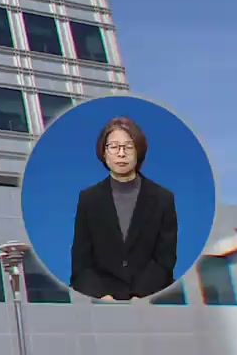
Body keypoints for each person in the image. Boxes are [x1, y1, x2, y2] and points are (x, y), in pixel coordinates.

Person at [70, 116, 178, 301]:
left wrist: (140, 296)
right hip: (102, 301)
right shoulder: (89, 199)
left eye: (128, 147)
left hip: (151, 299)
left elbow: (165, 260)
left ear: (138, 151)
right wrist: (102, 296)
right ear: (104, 153)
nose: (121, 153)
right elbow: (81, 264)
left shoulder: (163, 198)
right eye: (114, 147)